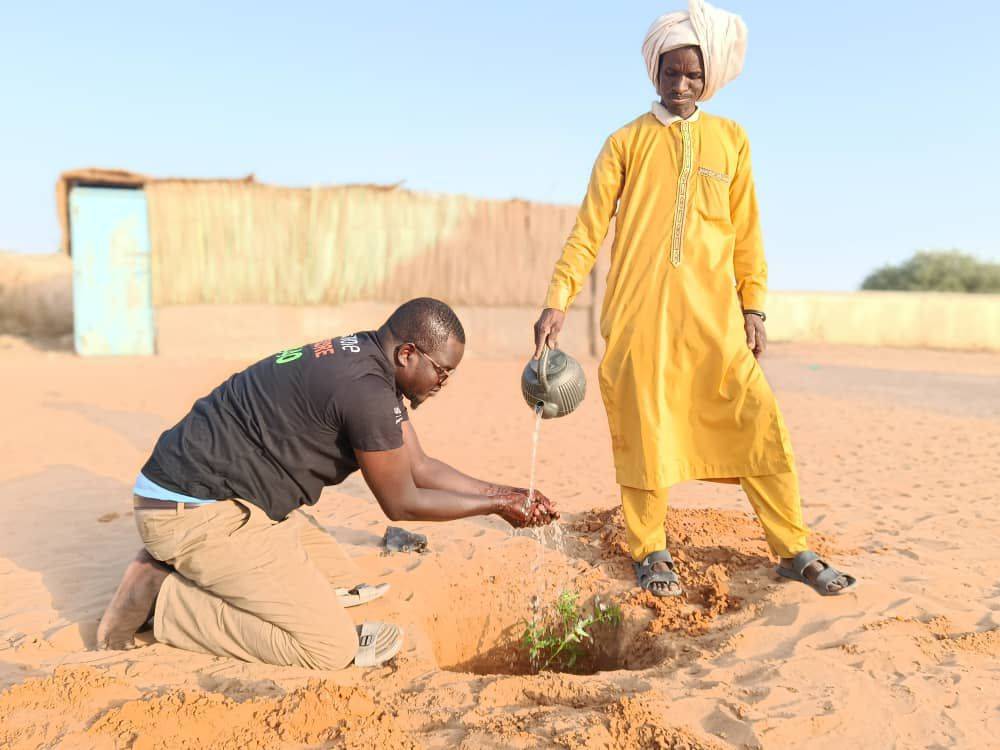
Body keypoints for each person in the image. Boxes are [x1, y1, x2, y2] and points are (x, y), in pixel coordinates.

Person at [532, 0, 855, 598]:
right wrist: (558, 298)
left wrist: (753, 305)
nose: (682, 84)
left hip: (715, 323)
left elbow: (747, 232)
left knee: (758, 421)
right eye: (671, 72)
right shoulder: (624, 142)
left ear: (710, 80)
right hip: (639, 321)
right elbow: (588, 230)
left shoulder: (732, 140)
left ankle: (793, 548)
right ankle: (651, 550)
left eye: (694, 75)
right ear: (653, 70)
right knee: (646, 430)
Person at [98, 297, 558, 669]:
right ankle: (166, 602)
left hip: (218, 490)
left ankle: (187, 562)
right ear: (407, 354)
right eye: (442, 371)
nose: (442, 383)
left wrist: (505, 494)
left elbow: (420, 464)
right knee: (329, 648)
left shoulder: (364, 355)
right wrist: (493, 509)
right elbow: (402, 501)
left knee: (340, 582)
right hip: (195, 509)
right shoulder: (366, 392)